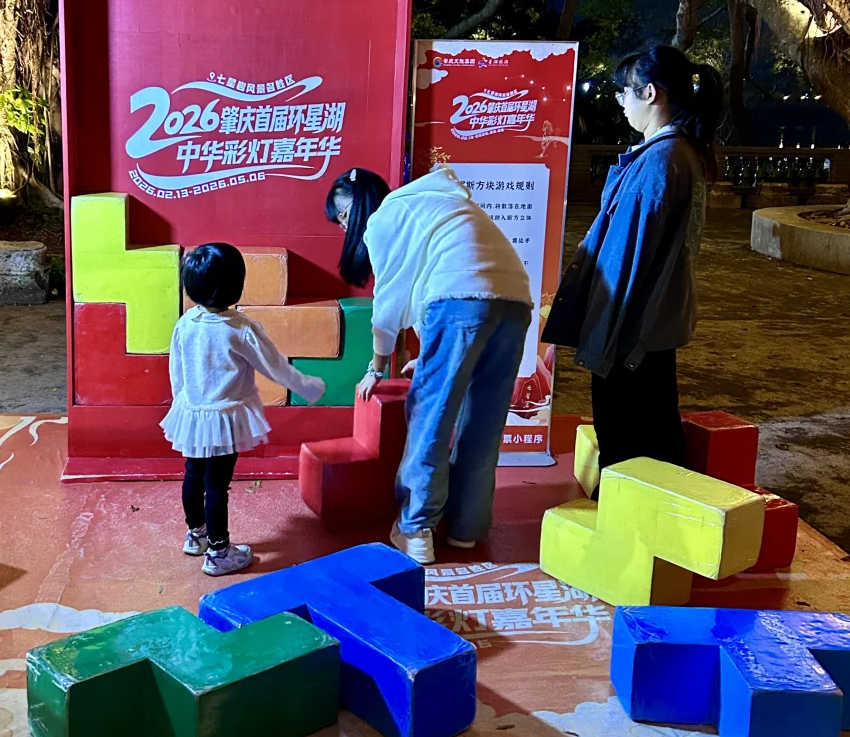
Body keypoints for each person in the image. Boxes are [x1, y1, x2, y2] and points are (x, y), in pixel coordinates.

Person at [324, 164, 533, 566]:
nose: (344, 227)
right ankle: (467, 528)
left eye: (344, 216)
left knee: (430, 415)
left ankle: (415, 528)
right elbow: (439, 280)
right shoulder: (436, 201)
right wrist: (428, 353)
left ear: (361, 204)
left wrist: (375, 367)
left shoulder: (385, 217)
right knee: (484, 421)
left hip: (460, 300)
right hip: (515, 301)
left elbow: (390, 304)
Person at [543, 44, 723, 482]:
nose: (621, 102)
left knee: (627, 444)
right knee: (653, 434)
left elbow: (625, 259)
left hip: (629, 332)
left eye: (625, 92)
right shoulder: (679, 152)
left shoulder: (660, 160)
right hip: (648, 328)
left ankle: (629, 519)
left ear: (651, 93)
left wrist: (600, 334)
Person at [162, 242, 326, 575]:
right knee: (216, 486)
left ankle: (196, 534)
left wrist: (183, 401)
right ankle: (219, 552)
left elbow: (175, 369)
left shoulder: (186, 322)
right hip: (224, 419)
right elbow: (275, 367)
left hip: (192, 413)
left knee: (193, 473)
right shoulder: (240, 328)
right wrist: (307, 386)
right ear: (235, 285)